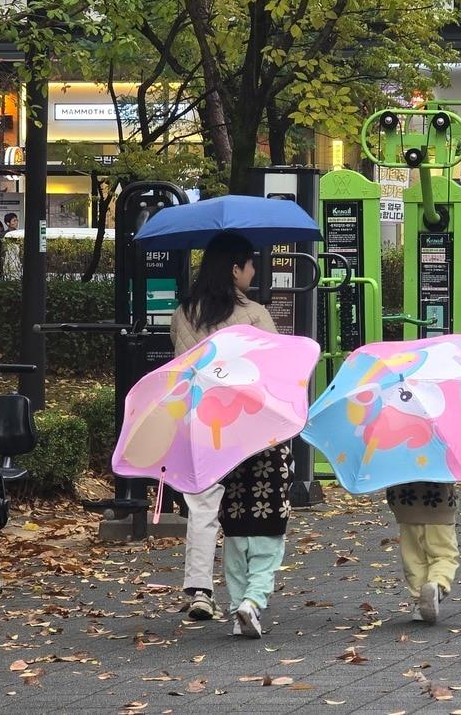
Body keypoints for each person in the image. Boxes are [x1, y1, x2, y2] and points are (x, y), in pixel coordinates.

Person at [169, 233, 286, 639]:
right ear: (235, 268)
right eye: (250, 264)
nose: (254, 271)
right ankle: (251, 596)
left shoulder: (184, 313)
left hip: (202, 421)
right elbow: (274, 369)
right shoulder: (254, 314)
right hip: (248, 425)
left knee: (203, 506)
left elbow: (181, 367)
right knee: (254, 512)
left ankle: (200, 589)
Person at [387, 481, 458, 624]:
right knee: (443, 553)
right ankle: (437, 584)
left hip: (405, 504)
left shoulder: (394, 457)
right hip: (438, 504)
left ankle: (420, 602)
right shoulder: (438, 458)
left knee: (413, 557)